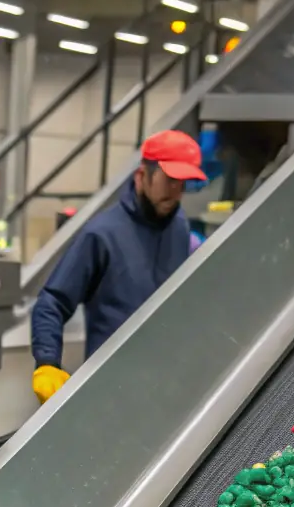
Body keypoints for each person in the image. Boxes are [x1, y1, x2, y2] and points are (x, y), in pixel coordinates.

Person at [30, 129, 207, 403]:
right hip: (108, 390)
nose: (175, 191)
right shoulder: (102, 234)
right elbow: (52, 301)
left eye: (183, 183)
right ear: (142, 175)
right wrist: (47, 362)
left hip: (165, 387)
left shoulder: (180, 228)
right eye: (170, 179)